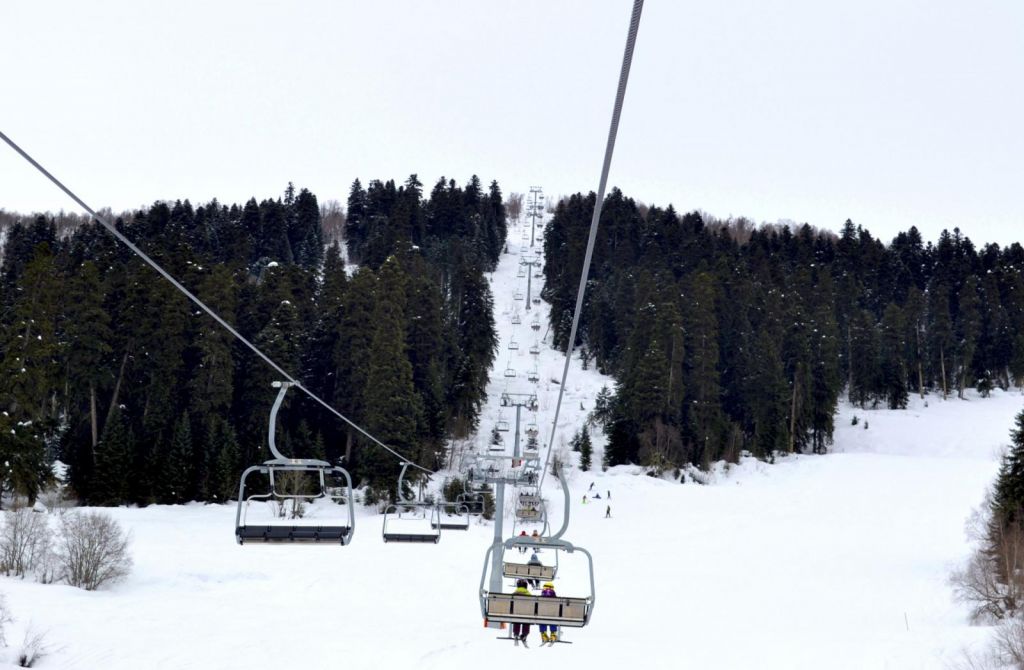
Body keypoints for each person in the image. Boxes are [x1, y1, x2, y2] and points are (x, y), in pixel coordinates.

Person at [512, 579, 532, 646]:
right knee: (526, 619)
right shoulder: (529, 594)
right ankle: (524, 634)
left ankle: (516, 633)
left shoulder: (514, 594)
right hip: (526, 614)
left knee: (516, 619)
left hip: (516, 613)